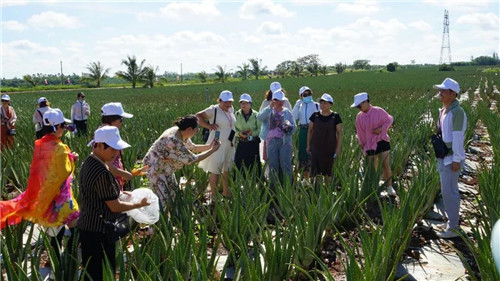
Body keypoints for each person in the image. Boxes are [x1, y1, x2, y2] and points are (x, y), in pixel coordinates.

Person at [0, 108, 80, 261]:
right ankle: (65, 258)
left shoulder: (42, 145)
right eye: (63, 126)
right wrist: (71, 159)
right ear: (56, 127)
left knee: (55, 229)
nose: (64, 129)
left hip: (46, 194)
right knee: (72, 226)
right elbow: (64, 172)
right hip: (60, 198)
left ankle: (55, 258)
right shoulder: (60, 148)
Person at [78, 125, 150, 281]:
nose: (116, 153)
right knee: (101, 273)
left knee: (93, 271)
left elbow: (99, 195)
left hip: (88, 226)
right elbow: (114, 206)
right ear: (99, 145)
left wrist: (120, 194)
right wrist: (139, 204)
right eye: (113, 149)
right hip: (99, 230)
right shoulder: (101, 172)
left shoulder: (89, 162)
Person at [143, 115, 221, 208]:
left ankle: (171, 218)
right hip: (156, 170)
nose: (197, 132)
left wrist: (209, 146)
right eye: (196, 129)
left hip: (166, 169)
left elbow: (193, 148)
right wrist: (213, 150)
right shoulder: (174, 141)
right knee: (162, 199)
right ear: (189, 129)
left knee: (174, 195)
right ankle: (159, 220)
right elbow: (193, 159)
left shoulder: (179, 132)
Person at [433, 78, 467, 239]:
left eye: (443, 91)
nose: (440, 93)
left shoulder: (457, 112)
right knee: (446, 192)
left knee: (450, 192)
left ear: (453, 94)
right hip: (443, 156)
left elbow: (458, 137)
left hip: (451, 158)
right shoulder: (444, 110)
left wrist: (457, 159)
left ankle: (453, 227)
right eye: (440, 90)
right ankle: (450, 222)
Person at [352, 92, 396, 196]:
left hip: (382, 141)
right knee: (372, 167)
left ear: (366, 102)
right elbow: (359, 132)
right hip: (368, 144)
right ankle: (375, 188)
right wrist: (362, 144)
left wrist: (381, 129)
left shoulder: (378, 111)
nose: (359, 108)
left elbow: (390, 119)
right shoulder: (359, 117)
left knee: (386, 165)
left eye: (360, 105)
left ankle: (389, 187)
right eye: (357, 106)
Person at [196, 90, 236, 197]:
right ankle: (214, 195)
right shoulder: (213, 110)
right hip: (218, 143)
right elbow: (198, 116)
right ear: (220, 100)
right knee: (216, 169)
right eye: (226, 102)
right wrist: (209, 126)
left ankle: (226, 192)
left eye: (230, 102)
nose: (228, 104)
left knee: (227, 168)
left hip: (230, 143)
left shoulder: (231, 109)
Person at [98, 102, 144, 190]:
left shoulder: (103, 132)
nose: (121, 123)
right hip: (110, 185)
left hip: (114, 181)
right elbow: (107, 166)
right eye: (121, 120)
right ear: (112, 120)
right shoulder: (106, 135)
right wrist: (127, 175)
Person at [258, 90, 296, 187]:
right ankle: (273, 189)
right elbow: (260, 117)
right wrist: (269, 107)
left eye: (282, 100)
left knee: (286, 166)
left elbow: (294, 128)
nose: (280, 102)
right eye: (277, 100)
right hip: (271, 142)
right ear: (273, 100)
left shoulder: (287, 112)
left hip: (285, 142)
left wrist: (289, 128)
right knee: (273, 166)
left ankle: (288, 189)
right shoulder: (268, 111)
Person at [307, 93, 342, 178]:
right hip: (316, 147)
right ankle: (316, 189)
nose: (323, 105)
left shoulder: (335, 116)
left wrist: (338, 149)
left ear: (331, 105)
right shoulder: (315, 115)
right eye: (321, 103)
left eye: (325, 103)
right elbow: (310, 131)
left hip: (329, 147)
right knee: (315, 171)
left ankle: (327, 189)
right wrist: (308, 146)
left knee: (328, 171)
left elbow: (339, 133)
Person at [259, 82, 292, 162]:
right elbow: (261, 116)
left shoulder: (285, 101)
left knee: (284, 159)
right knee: (270, 160)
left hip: (283, 134)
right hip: (269, 134)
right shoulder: (266, 102)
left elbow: (290, 116)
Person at [292, 86, 319, 180]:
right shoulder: (299, 106)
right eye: (305, 94)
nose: (307, 96)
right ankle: (306, 179)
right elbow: (294, 117)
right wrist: (297, 104)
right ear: (301, 96)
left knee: (314, 153)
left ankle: (315, 178)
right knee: (304, 154)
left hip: (314, 130)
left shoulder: (316, 105)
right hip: (303, 131)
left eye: (309, 93)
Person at [234, 93, 262, 177]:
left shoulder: (256, 115)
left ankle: (256, 182)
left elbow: (260, 129)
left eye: (246, 103)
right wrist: (239, 134)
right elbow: (232, 129)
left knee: (254, 164)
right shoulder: (236, 115)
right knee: (239, 163)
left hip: (253, 143)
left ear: (250, 104)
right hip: (241, 142)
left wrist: (252, 133)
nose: (244, 105)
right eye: (242, 103)